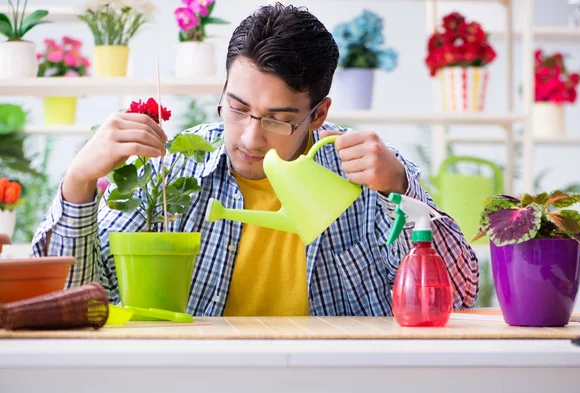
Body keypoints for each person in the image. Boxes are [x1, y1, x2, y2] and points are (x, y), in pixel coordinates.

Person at [32, 3, 479, 316]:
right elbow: (80, 300)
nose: (250, 137)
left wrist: (403, 191)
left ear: (318, 114)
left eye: (278, 120)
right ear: (221, 91)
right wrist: (78, 183)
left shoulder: (367, 173)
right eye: (238, 107)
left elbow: (459, 296)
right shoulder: (176, 168)